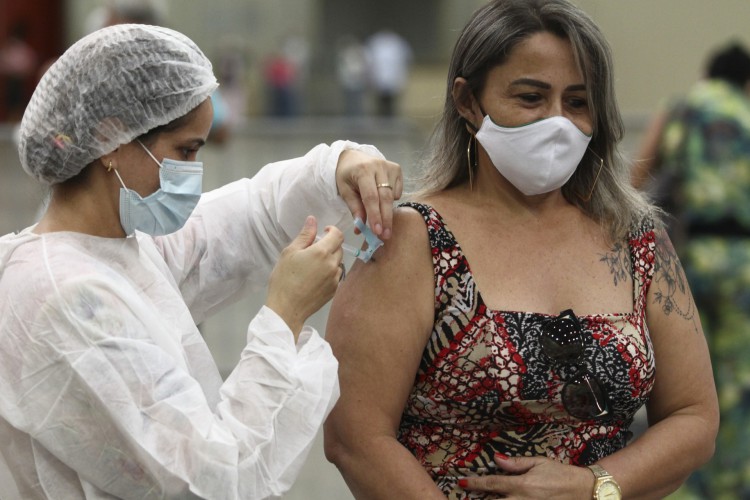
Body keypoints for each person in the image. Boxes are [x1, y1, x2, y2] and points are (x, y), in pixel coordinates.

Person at [323, 1, 718, 499]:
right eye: (531, 97)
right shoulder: (407, 240)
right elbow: (354, 437)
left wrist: (595, 487)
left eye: (577, 102)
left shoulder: (636, 238)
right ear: (468, 102)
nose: (557, 123)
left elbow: (693, 415)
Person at [0, 23, 402, 499]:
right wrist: (285, 315)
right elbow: (214, 478)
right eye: (184, 150)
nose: (193, 171)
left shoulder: (122, 248)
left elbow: (251, 217)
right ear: (111, 140)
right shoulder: (67, 297)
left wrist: (338, 167)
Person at [632, 41, 750, 499]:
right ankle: (732, 484)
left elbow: (640, 174)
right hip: (744, 262)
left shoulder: (681, 107)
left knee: (687, 381)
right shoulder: (745, 113)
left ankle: (682, 486)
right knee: (739, 380)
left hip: (689, 258)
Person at [365, 29, 412, 117]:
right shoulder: (375, 42)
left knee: (391, 102)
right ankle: (382, 117)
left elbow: (404, 61)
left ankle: (390, 117)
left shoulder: (398, 43)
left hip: (392, 79)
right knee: (380, 102)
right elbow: (369, 62)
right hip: (380, 79)